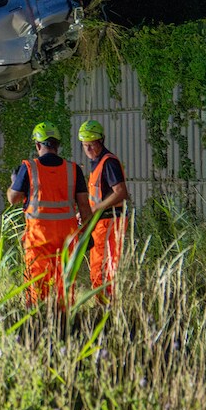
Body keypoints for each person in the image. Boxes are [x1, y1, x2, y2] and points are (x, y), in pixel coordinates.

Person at [7, 122, 91, 305]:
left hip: (38, 241)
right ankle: (64, 326)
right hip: (66, 240)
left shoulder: (29, 168)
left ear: (38, 145)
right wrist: (88, 233)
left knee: (36, 288)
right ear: (57, 145)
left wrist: (14, 181)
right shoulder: (73, 169)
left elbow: (13, 198)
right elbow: (84, 206)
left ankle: (37, 325)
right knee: (65, 288)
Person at [78, 120, 130, 300]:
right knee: (99, 264)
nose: (89, 149)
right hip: (101, 221)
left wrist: (93, 209)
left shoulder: (108, 162)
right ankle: (103, 304)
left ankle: (107, 305)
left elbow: (121, 192)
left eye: (92, 144)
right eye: (85, 145)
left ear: (101, 141)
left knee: (104, 266)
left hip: (110, 220)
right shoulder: (97, 163)